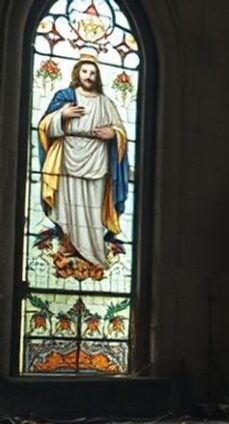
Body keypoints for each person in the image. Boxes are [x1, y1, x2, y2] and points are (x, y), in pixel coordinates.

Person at [38, 52, 130, 268]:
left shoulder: (106, 103)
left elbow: (120, 131)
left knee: (93, 206)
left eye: (92, 72)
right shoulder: (65, 97)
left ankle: (94, 253)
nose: (88, 76)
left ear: (97, 76)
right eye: (85, 71)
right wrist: (62, 115)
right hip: (67, 158)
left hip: (98, 160)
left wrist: (114, 134)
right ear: (77, 73)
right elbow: (44, 126)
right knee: (68, 205)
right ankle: (68, 246)